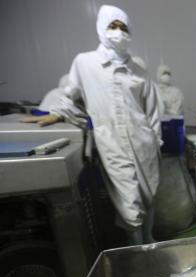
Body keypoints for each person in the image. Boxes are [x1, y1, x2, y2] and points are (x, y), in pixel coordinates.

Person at [22, 5, 161, 245]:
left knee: (148, 198)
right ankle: (138, 253)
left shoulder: (138, 70)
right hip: (112, 143)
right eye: (113, 26)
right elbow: (70, 95)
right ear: (101, 28)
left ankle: (149, 239)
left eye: (124, 27)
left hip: (145, 143)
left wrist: (156, 141)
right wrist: (57, 114)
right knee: (129, 205)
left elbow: (153, 110)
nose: (119, 32)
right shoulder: (85, 63)